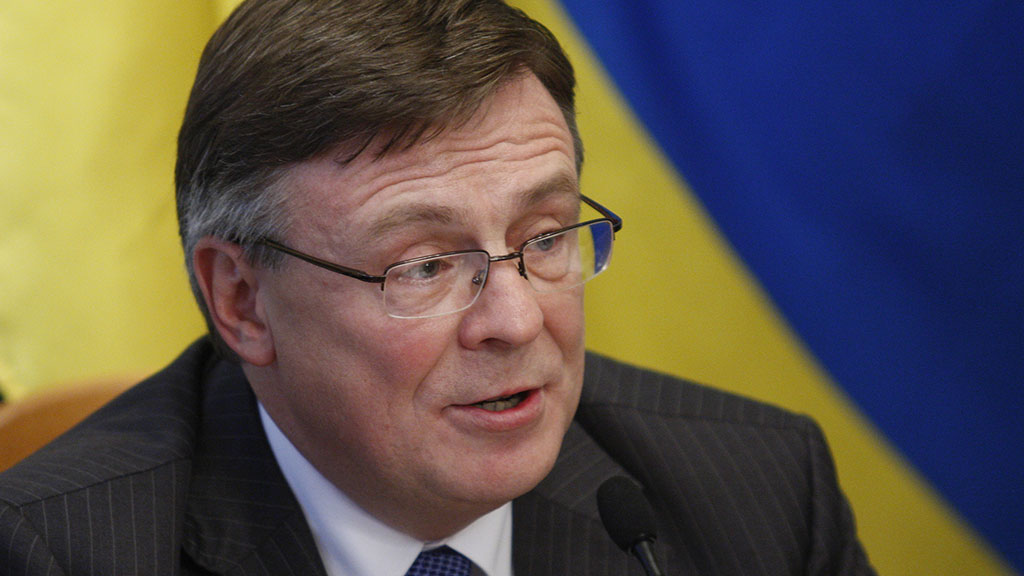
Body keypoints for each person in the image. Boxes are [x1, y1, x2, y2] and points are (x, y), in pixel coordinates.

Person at [0, 1, 875, 574]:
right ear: (242, 299)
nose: (517, 319)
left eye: (545, 238)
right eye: (424, 266)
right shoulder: (56, 553)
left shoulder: (759, 496)